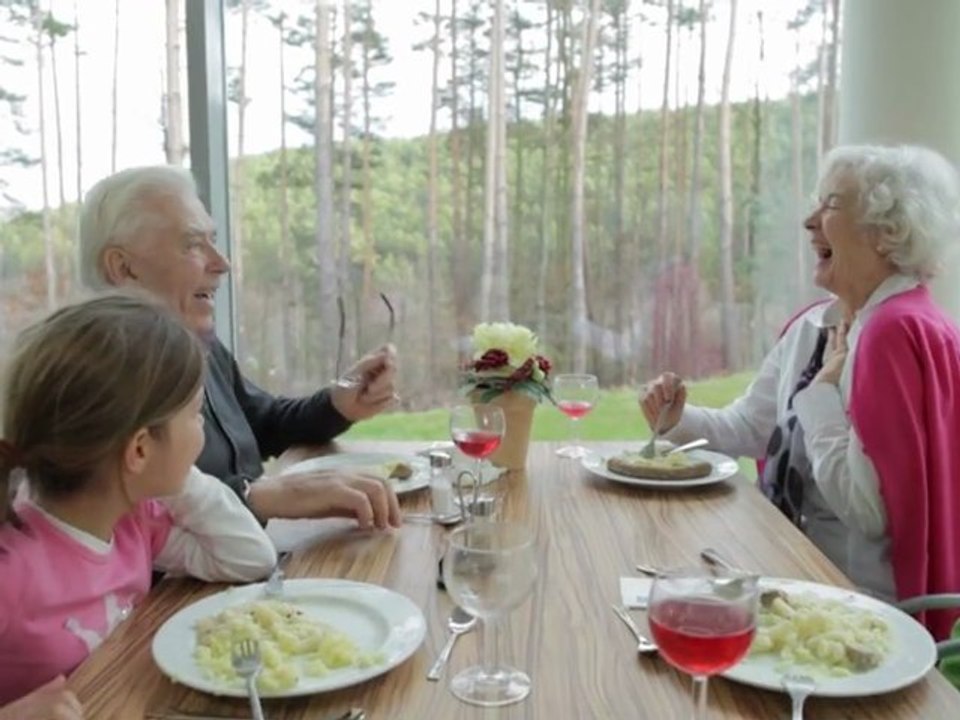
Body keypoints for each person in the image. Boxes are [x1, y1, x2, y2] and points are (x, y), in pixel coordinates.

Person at [641, 144, 960, 639]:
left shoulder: (894, 332)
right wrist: (677, 417)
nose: (811, 221)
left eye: (831, 204)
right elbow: (753, 428)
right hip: (784, 574)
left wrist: (822, 396)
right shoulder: (816, 325)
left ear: (886, 231)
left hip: (852, 614)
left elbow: (867, 511)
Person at [77, 166, 401, 531]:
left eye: (213, 240)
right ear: (123, 268)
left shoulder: (197, 344)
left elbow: (260, 422)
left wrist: (339, 402)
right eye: (192, 244)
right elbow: (126, 524)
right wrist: (260, 495)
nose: (222, 263)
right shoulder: (90, 380)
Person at [0, 294, 277, 709]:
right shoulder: (12, 570)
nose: (202, 429)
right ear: (140, 450)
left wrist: (182, 480)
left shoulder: (135, 520)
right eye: (196, 415)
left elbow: (251, 557)